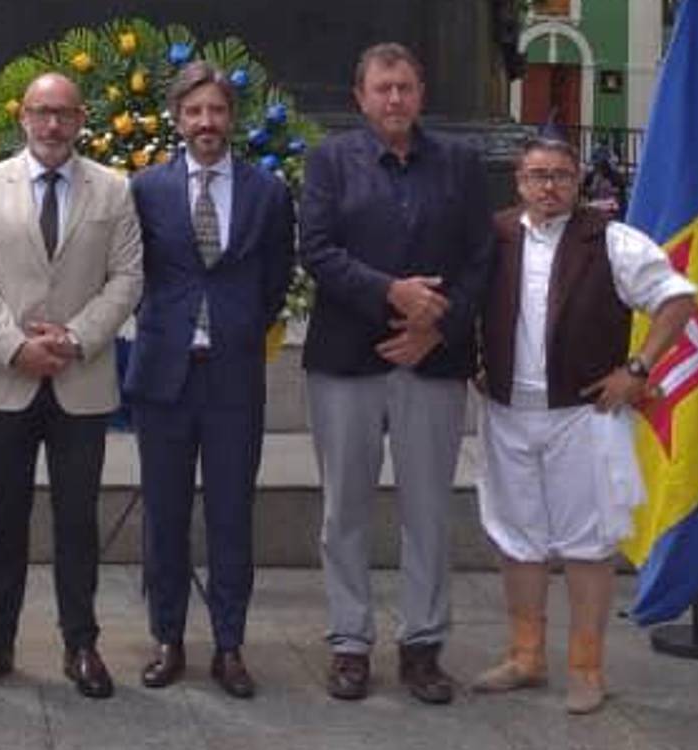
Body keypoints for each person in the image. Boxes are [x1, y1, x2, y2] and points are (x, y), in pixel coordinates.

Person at [298, 42, 494, 705]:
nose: (394, 99)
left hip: (431, 360)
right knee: (344, 507)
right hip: (347, 360)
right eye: (382, 88)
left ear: (421, 94)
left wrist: (436, 324)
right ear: (360, 97)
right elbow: (317, 249)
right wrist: (392, 293)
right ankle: (350, 641)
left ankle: (422, 644)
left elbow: (480, 258)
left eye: (405, 87)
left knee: (428, 509)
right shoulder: (330, 161)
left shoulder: (460, 165)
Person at [472, 137, 696, 714]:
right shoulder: (495, 235)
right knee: (515, 536)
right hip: (507, 411)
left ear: (578, 182)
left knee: (587, 543)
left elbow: (676, 299)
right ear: (518, 181)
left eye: (560, 176)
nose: (548, 186)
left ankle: (586, 667)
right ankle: (526, 655)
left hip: (583, 414)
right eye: (537, 175)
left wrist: (637, 369)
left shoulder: (611, 240)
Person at [0, 72, 142, 699]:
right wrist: (16, 347)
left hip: (80, 378)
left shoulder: (114, 189)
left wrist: (75, 338)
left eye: (63, 112)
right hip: (6, 378)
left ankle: (81, 643)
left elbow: (127, 278)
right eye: (41, 111)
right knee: (3, 519)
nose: (52, 124)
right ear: (22, 117)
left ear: (81, 118)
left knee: (78, 520)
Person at [124, 61, 294, 699]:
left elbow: (276, 277)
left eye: (216, 110)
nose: (206, 122)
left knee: (231, 514)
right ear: (177, 118)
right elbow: (133, 271)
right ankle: (167, 637)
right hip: (164, 377)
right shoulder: (146, 189)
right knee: (164, 514)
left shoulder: (267, 192)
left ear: (232, 117)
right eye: (194, 111)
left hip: (232, 378)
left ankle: (229, 644)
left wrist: (238, 325)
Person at [580, 148, 626, 219]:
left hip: (611, 207)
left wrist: (609, 189)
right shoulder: (591, 175)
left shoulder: (615, 176)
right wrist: (594, 186)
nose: (599, 167)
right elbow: (585, 192)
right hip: (595, 207)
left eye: (603, 164)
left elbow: (620, 192)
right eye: (597, 164)